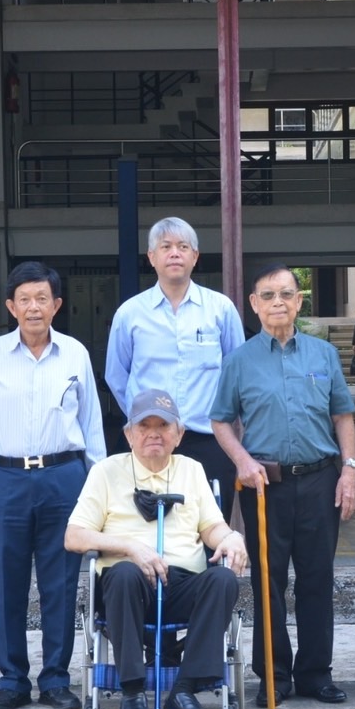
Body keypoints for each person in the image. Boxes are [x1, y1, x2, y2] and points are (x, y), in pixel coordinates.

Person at [0, 261, 106, 709]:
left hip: (64, 477)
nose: (34, 307)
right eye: (25, 299)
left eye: (42, 298)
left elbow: (92, 426)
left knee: (61, 583)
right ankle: (12, 680)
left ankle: (56, 680)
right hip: (4, 478)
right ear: (11, 306)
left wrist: (100, 487)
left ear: (57, 305)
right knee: (8, 582)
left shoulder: (76, 354)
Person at [211, 266, 355, 707]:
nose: (278, 302)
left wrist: (349, 471)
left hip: (319, 481)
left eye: (287, 294)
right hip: (263, 487)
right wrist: (242, 461)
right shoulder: (239, 360)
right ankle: (274, 675)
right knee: (268, 582)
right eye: (268, 294)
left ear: (299, 303)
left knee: (317, 579)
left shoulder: (322, 354)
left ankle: (316, 673)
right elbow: (220, 420)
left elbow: (342, 416)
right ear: (253, 304)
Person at [64, 389, 249, 709]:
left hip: (181, 584)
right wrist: (131, 548)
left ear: (178, 434)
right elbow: (74, 536)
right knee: (122, 574)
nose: (154, 433)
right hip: (128, 587)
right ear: (129, 434)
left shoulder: (191, 470)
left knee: (222, 579)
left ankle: (183, 693)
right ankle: (132, 694)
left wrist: (231, 537)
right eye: (144, 425)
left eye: (163, 425)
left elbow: (212, 527)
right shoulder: (106, 472)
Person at [105, 216, 245, 517]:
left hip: (209, 440)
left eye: (183, 246)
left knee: (210, 528)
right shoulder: (130, 314)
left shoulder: (220, 309)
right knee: (147, 527)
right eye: (165, 246)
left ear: (195, 257)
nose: (175, 253)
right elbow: (116, 376)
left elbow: (237, 372)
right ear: (151, 257)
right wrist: (143, 420)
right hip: (149, 440)